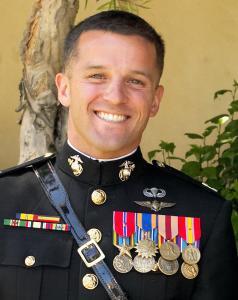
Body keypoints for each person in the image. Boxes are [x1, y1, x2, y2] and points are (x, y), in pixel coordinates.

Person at [0, 10, 236, 300]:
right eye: (97, 76)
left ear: (155, 100)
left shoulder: (204, 214)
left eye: (135, 81)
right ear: (64, 88)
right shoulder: (5, 199)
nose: (115, 96)